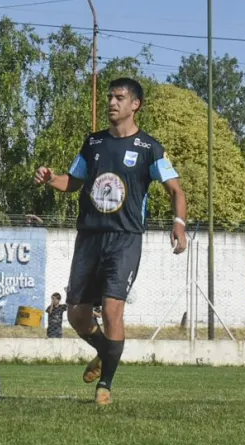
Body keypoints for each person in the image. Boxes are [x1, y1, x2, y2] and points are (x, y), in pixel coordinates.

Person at [34, 77, 187, 406]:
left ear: (135, 105)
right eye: (110, 97)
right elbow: (73, 182)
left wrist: (179, 224)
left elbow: (176, 190)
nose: (112, 103)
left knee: (114, 308)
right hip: (89, 236)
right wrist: (51, 179)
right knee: (76, 315)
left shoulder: (150, 149)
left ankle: (106, 383)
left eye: (119, 98)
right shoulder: (93, 143)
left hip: (125, 238)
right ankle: (106, 351)